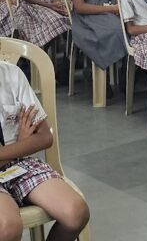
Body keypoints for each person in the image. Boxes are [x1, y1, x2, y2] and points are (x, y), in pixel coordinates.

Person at [0, 60, 90, 241]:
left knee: (76, 212)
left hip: (19, 163)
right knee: (7, 227)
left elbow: (44, 137)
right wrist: (21, 144)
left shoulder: (12, 74)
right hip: (18, 154)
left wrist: (13, 151)